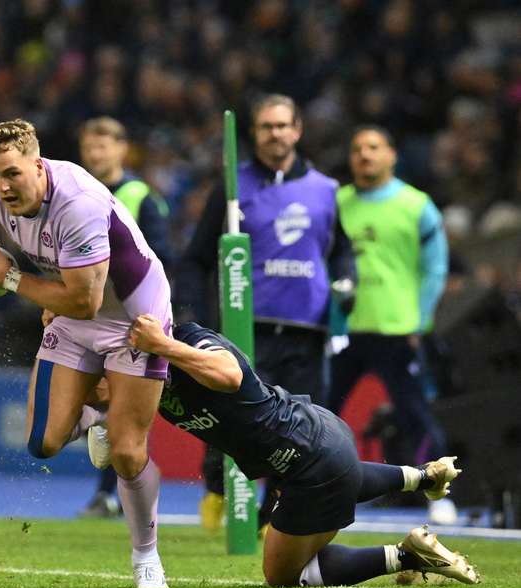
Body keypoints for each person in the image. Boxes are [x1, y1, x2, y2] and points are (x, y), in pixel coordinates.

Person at [0, 119, 173, 588]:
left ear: (38, 166)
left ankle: (146, 556)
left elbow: (84, 301)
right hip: (70, 309)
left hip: (133, 319)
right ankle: (98, 415)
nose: (2, 187)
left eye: (13, 175)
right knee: (41, 443)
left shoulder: (78, 203)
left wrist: (6, 278)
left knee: (127, 452)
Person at [128, 314, 479, 588]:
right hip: (314, 440)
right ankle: (422, 476)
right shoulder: (142, 377)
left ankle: (408, 556)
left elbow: (229, 375)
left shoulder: (186, 338)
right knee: (334, 478)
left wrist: (162, 344)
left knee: (282, 575)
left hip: (309, 462)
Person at [176, 94, 356, 530]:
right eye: (265, 127)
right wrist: (199, 317)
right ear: (253, 134)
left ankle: (274, 515)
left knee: (301, 429)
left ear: (298, 130)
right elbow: (197, 258)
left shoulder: (327, 190)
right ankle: (219, 491)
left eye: (282, 126)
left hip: (307, 331)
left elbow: (343, 253)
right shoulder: (233, 188)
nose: (275, 134)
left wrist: (347, 284)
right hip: (245, 329)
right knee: (233, 423)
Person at [329, 125, 453, 524]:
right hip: (344, 328)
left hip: (398, 329)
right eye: (357, 148)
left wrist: (421, 320)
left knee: (416, 414)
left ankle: (440, 494)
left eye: (373, 147)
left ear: (391, 155)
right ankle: (311, 491)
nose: (364, 154)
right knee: (320, 415)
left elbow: (435, 269)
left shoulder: (416, 205)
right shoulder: (336, 203)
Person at [76, 115, 173, 519]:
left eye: (103, 146)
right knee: (94, 402)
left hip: (129, 319)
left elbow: (160, 256)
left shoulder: (140, 196)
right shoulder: (75, 194)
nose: (96, 153)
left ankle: (113, 493)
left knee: (120, 409)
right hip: (86, 314)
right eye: (90, 147)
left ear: (121, 149)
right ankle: (115, 489)